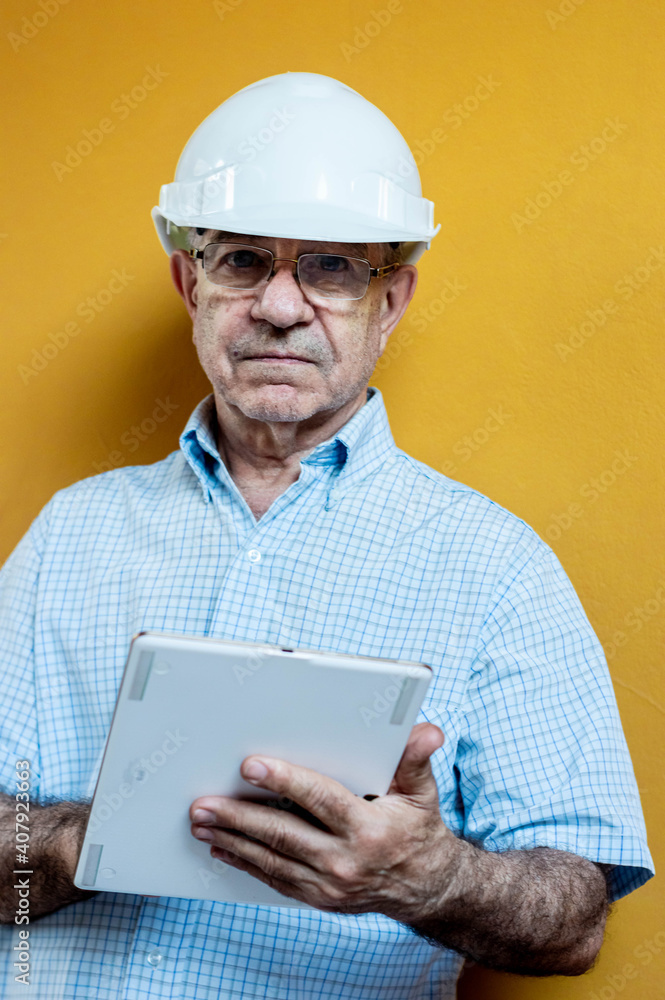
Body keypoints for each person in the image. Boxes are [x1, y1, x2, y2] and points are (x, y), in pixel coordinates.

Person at [0, 72, 654, 1000]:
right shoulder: (72, 534)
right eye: (240, 262)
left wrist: (429, 879)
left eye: (332, 267)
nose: (277, 305)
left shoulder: (496, 566)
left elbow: (575, 916)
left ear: (390, 301)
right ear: (190, 282)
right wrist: (80, 838)